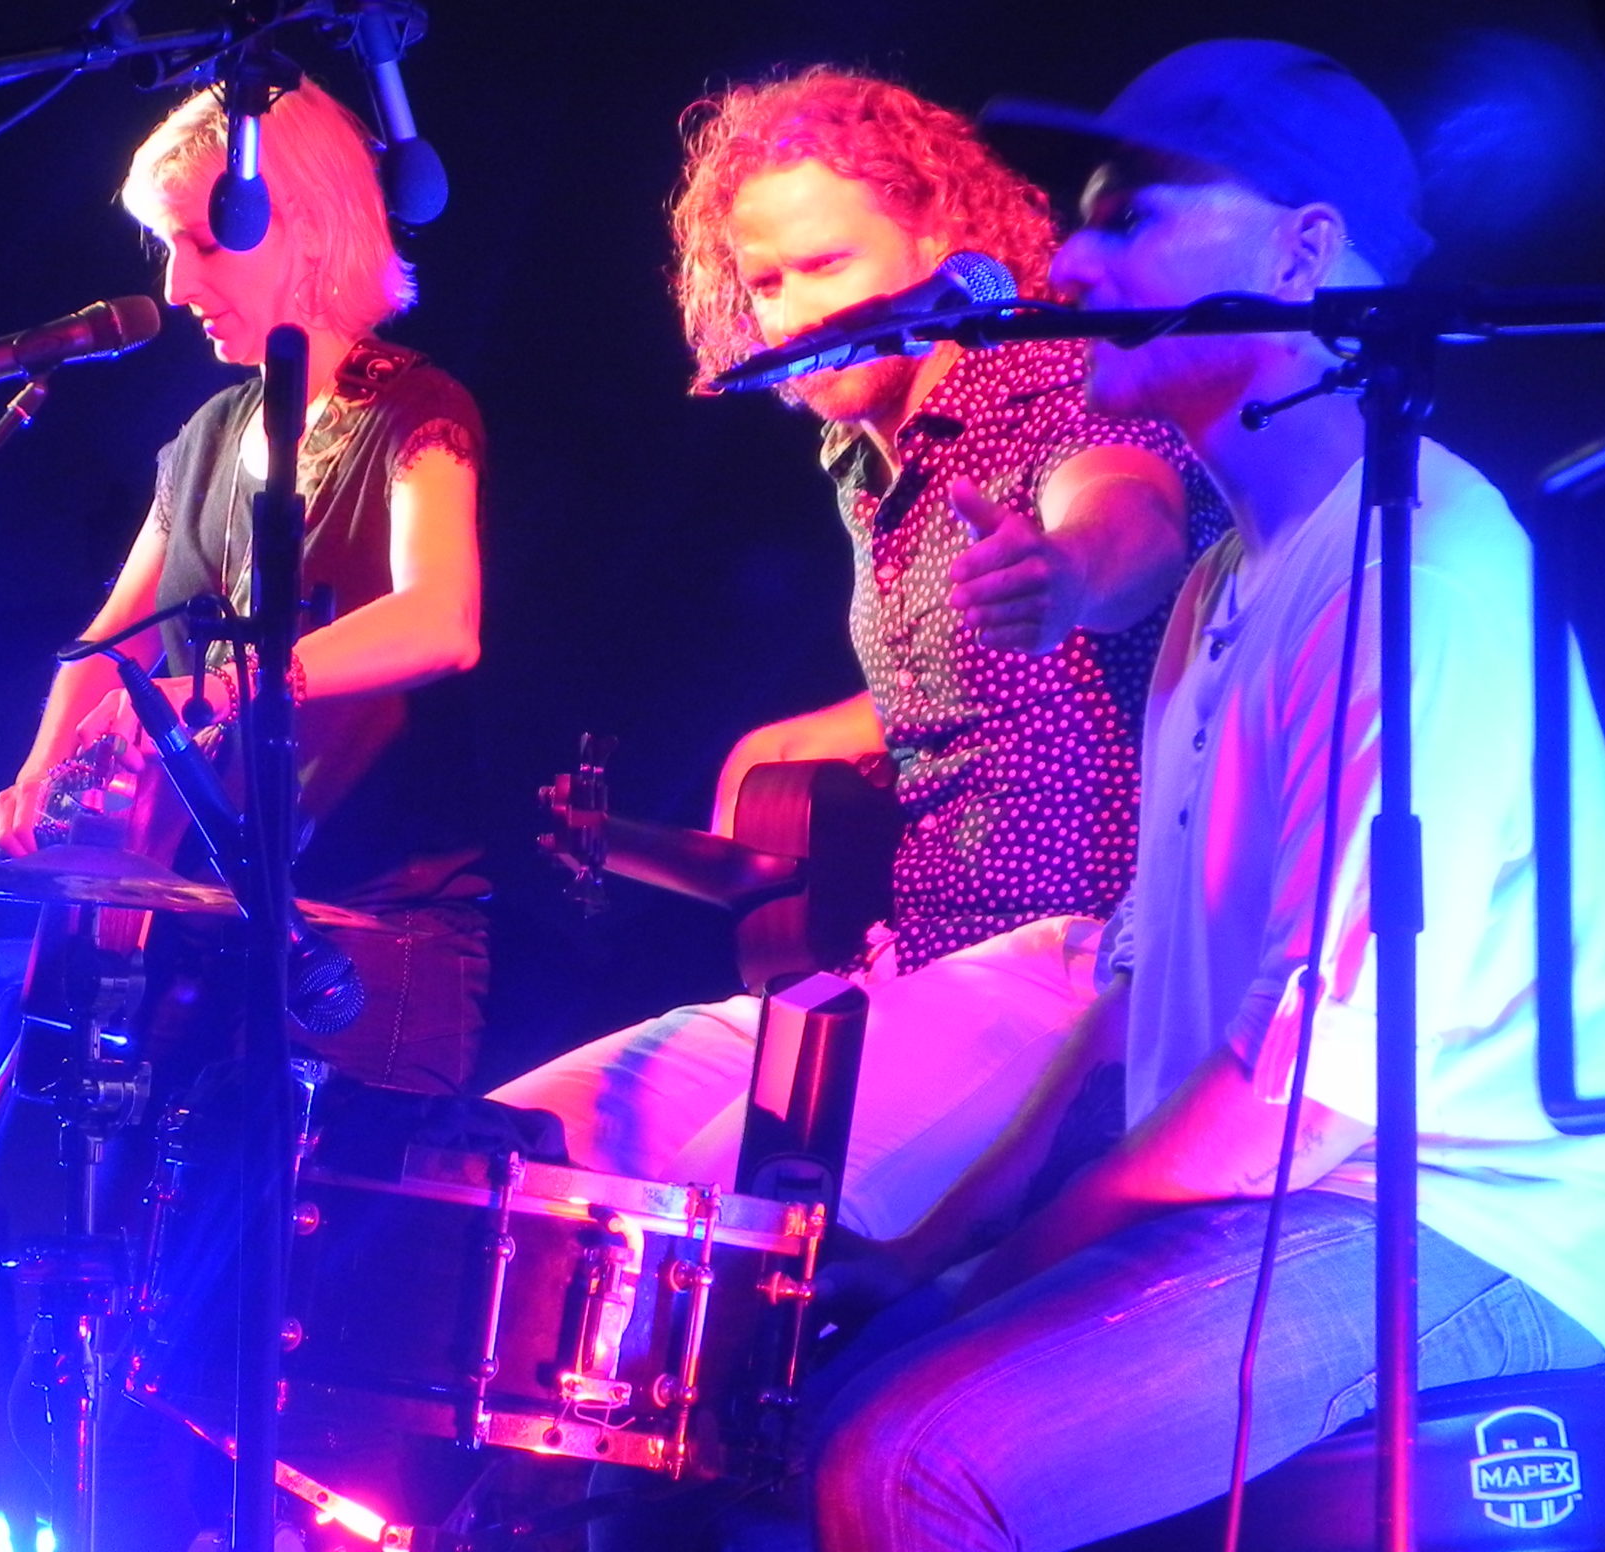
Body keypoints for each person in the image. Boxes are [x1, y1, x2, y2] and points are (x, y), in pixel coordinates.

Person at [804, 42, 1605, 1552]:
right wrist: (926, 1248)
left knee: (912, 1466)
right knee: (767, 1450)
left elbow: (1297, 1100)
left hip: (1473, 1222)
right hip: (1299, 1200)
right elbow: (1132, 1023)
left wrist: (997, 1275)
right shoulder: (1218, 594)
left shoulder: (1420, 568)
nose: (1070, 258)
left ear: (1306, 249)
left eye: (1131, 215)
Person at [489, 67, 1225, 1250]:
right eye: (765, 281)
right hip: (913, 960)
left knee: (718, 1211)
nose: (791, 315)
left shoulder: (1036, 378)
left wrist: (1067, 571)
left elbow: (1131, 511)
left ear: (940, 238)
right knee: (525, 1143)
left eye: (826, 265)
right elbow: (979, 678)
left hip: (1072, 958)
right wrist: (823, 729)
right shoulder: (864, 458)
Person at [0, 77, 489, 1094]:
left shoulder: (419, 412)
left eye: (202, 244)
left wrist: (221, 687)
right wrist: (36, 774)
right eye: (168, 248)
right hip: (220, 930)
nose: (175, 286)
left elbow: (443, 619)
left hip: (366, 940)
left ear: (305, 226)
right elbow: (111, 639)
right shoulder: (205, 438)